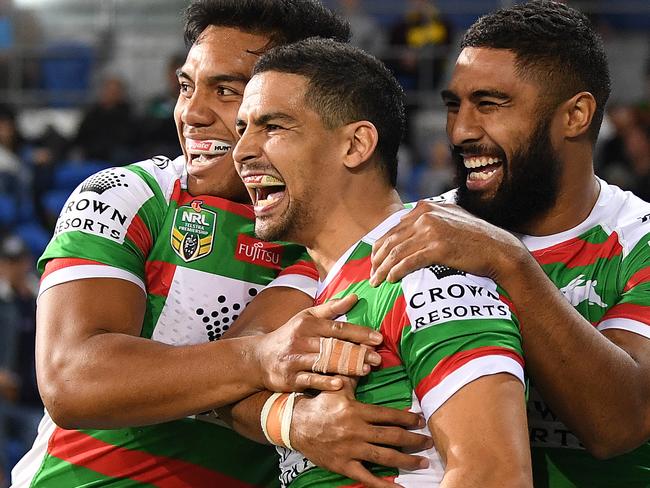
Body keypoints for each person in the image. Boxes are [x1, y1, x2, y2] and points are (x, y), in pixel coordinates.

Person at [11, 1, 430, 487]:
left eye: (228, 91)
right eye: (186, 86)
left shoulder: (322, 235)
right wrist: (269, 382)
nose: (192, 112)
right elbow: (71, 382)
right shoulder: (129, 196)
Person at [368, 1, 650, 486]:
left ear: (576, 115)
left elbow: (619, 424)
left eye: (490, 104)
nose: (460, 131)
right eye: (454, 105)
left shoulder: (639, 240)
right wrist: (293, 418)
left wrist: (508, 261)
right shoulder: (418, 228)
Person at [232, 37, 532, 487]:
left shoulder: (424, 276)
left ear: (356, 144)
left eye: (273, 127)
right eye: (242, 130)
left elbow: (493, 475)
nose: (242, 151)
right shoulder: (328, 284)